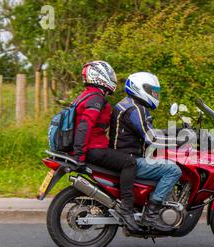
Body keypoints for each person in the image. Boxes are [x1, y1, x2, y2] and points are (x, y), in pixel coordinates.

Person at [109, 72, 182, 232]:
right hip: (130, 160)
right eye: (152, 91)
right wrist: (178, 141)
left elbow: (147, 131)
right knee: (173, 170)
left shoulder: (128, 104)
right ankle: (151, 215)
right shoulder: (135, 109)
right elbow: (152, 139)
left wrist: (174, 131)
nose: (155, 94)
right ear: (140, 88)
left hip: (122, 156)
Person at [72, 61, 139, 230]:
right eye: (109, 76)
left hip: (93, 148)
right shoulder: (96, 98)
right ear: (99, 77)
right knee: (130, 162)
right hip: (93, 150)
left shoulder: (87, 95)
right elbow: (85, 126)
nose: (112, 79)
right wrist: (79, 156)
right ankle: (127, 209)